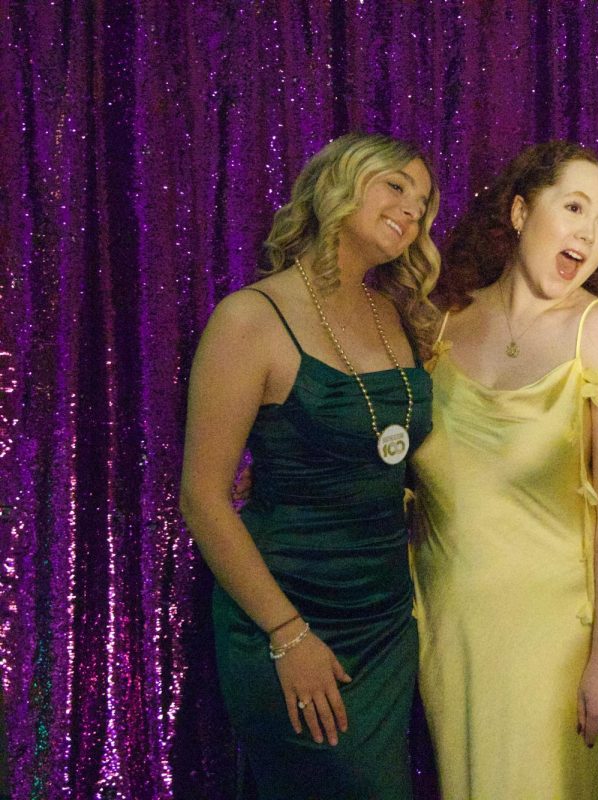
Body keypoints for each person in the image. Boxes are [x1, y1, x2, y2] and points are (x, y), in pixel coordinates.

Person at [179, 132, 439, 800]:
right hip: (289, 611)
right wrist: (288, 635)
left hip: (384, 618)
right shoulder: (251, 318)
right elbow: (203, 498)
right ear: (339, 187)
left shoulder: (393, 312)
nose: (412, 211)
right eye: (396, 187)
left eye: (423, 202)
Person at [408, 141, 598, 799]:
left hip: (557, 646)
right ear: (520, 212)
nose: (590, 231)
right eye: (574, 206)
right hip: (449, 631)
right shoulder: (439, 321)